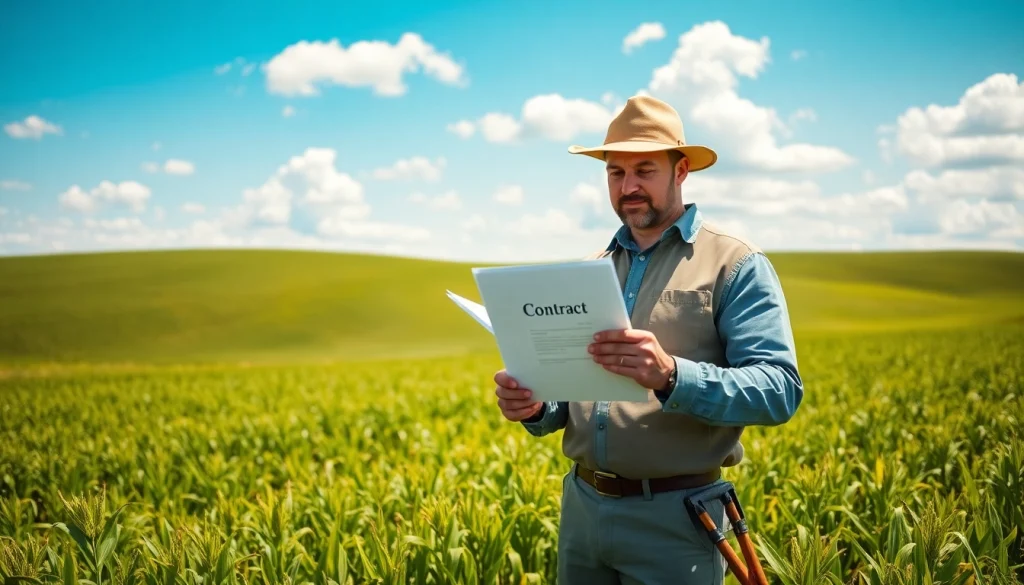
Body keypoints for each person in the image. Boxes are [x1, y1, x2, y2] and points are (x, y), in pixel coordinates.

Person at [492, 94, 804, 584]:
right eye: (616, 173)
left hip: (679, 520)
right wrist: (537, 406)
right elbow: (573, 396)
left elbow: (779, 391)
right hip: (582, 509)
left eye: (645, 170)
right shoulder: (591, 270)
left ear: (681, 171)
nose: (628, 186)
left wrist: (672, 375)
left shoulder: (736, 264)